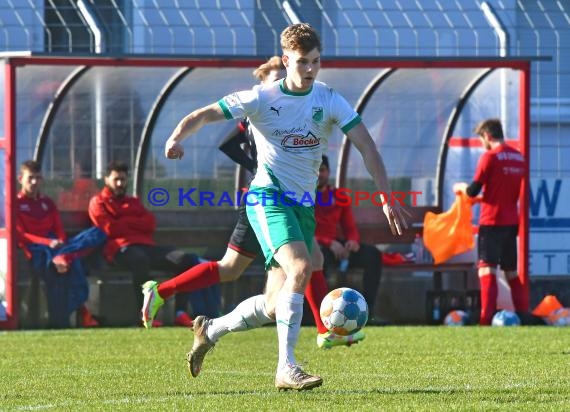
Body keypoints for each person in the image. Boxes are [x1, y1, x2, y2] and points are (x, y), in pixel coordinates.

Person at [164, 23, 407, 391]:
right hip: (267, 197)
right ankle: (286, 368)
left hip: (302, 207)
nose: (309, 70)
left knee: (276, 304)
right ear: (284, 60)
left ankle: (210, 329)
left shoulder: (328, 99)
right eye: (301, 63)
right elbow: (207, 113)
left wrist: (387, 196)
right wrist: (176, 136)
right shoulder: (262, 98)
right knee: (302, 265)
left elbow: (366, 145)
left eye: (315, 62)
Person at [141, 56, 362, 349]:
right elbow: (224, 140)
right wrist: (254, 164)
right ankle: (322, 331)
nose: (282, 83)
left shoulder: (295, 107)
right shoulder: (257, 110)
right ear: (261, 84)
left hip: (286, 199)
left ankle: (179, 304)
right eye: (274, 79)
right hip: (266, 200)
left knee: (247, 280)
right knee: (295, 262)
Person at [88, 160, 203, 327]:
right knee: (140, 260)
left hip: (146, 246)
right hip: (119, 249)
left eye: (123, 179)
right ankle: (144, 315)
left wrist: (122, 220)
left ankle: (180, 312)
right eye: (116, 179)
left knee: (184, 259)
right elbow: (109, 229)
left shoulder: (133, 201)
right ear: (106, 179)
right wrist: (134, 222)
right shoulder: (98, 202)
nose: (120, 183)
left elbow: (150, 223)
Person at [453, 118, 526, 325]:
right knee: (511, 271)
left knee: (487, 270)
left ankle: (486, 320)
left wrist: (459, 187)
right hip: (511, 222)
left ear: (487, 135)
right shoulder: (519, 158)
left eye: (481, 139)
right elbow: (501, 192)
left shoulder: (490, 158)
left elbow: (473, 189)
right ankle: (523, 315)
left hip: (491, 222)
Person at [16, 160, 105, 328]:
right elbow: (21, 235)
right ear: (21, 179)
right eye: (30, 178)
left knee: (97, 233)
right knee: (67, 267)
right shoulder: (15, 204)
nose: (34, 182)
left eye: (38, 178)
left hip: (58, 247)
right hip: (38, 250)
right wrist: (49, 243)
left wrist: (62, 245)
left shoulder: (48, 203)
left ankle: (65, 255)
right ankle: (75, 313)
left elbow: (59, 229)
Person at [315, 155, 384, 324]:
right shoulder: (301, 197)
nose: (319, 174)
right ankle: (318, 316)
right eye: (315, 170)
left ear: (328, 172)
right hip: (315, 246)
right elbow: (302, 231)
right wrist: (329, 243)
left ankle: (367, 311)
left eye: (322, 170)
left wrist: (352, 241)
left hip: (336, 248)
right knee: (317, 257)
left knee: (373, 255)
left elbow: (350, 227)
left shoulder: (339, 196)